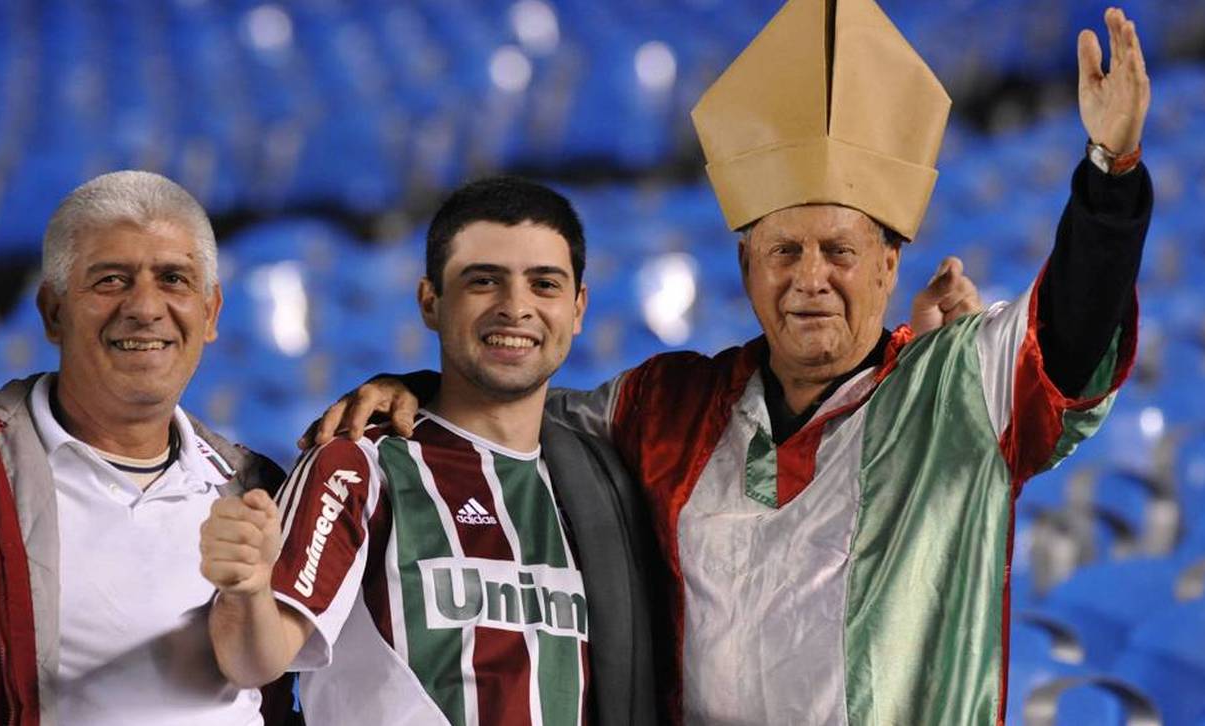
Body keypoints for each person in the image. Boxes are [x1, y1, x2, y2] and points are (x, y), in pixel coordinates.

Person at [319, 1, 1152, 723]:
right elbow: (510, 409)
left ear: (890, 265)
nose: (810, 280)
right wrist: (419, 384)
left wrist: (1108, 178)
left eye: (840, 251)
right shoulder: (666, 404)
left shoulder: (957, 390)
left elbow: (1070, 336)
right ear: (746, 266)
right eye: (783, 250)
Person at [199, 177, 663, 725]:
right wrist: (247, 591)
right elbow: (257, 658)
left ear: (579, 308)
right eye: (484, 281)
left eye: (544, 285)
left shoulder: (607, 484)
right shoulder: (357, 465)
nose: (516, 308)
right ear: (430, 301)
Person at [0, 171, 283, 725]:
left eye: (173, 279)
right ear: (53, 312)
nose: (145, 307)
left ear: (210, 313)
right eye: (111, 281)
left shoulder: (258, 485)